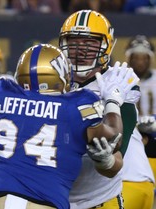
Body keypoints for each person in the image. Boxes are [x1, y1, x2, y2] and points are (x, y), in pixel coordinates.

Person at [0, 43, 137, 209]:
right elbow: (114, 138)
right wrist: (113, 101)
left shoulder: (0, 93)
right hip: (44, 204)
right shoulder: (76, 106)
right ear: (61, 76)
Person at [58, 9, 141, 208]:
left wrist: (106, 162)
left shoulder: (118, 82)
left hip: (97, 199)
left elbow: (117, 156)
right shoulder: (51, 78)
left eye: (90, 43)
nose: (81, 51)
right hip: (52, 196)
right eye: (74, 42)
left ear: (107, 45)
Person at [121, 35, 156, 209]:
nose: (140, 62)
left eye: (144, 57)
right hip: (130, 137)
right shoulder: (120, 80)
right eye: (136, 57)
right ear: (129, 58)